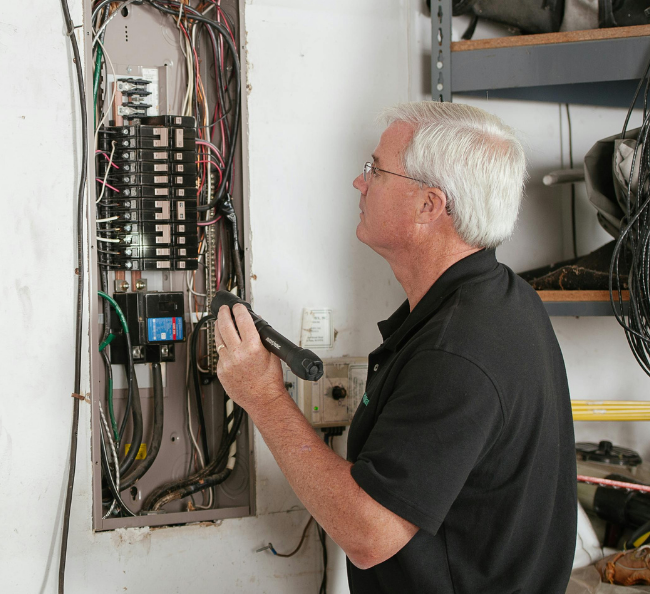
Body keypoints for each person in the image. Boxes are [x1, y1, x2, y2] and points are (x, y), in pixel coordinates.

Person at [215, 101, 576, 593]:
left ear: (429, 205)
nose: (359, 183)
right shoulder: (505, 298)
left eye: (376, 171)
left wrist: (263, 396)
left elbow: (369, 534)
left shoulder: (457, 352)